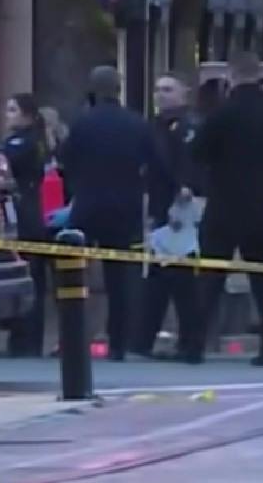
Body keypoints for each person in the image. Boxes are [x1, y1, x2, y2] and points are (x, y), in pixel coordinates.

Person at [187, 52, 263, 366]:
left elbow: (199, 150)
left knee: (210, 276)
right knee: (262, 276)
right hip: (262, 204)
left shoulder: (224, 113)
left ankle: (194, 345)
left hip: (225, 202)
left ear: (232, 75)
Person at [57, 66, 157, 360]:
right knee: (120, 279)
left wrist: (75, 190)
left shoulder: (82, 124)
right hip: (125, 206)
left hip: (88, 205)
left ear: (93, 90)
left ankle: (74, 337)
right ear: (119, 89)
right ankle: (118, 342)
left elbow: (66, 161)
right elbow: (153, 162)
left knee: (73, 273)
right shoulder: (136, 124)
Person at [135, 73, 206, 359]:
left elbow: (192, 162)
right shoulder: (155, 127)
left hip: (179, 209)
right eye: (157, 89)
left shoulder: (189, 127)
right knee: (159, 278)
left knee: (181, 281)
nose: (160, 95)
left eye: (167, 89)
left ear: (183, 95)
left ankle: (188, 342)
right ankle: (144, 339)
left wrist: (186, 186)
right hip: (160, 208)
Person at [0, 94, 52, 357]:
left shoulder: (25, 142)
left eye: (12, 109)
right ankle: (22, 339)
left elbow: (5, 162)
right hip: (27, 213)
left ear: (27, 115)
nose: (8, 115)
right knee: (31, 279)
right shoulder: (35, 140)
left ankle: (26, 341)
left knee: (30, 277)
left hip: (26, 215)